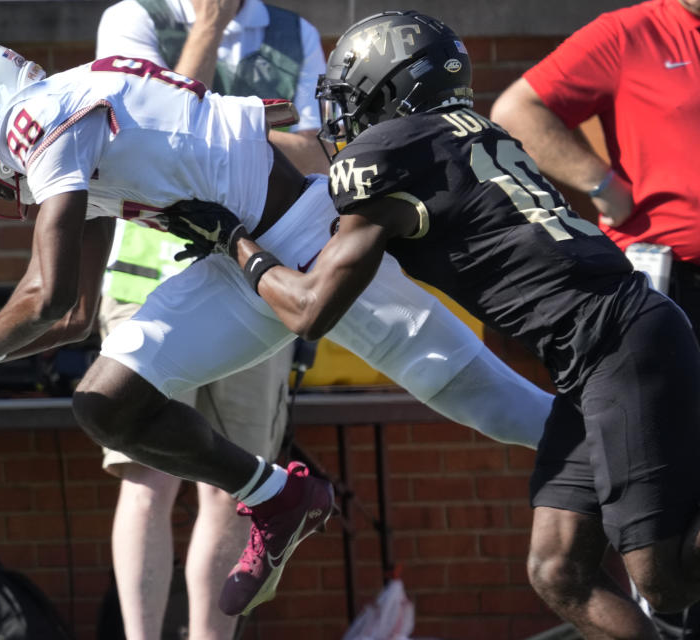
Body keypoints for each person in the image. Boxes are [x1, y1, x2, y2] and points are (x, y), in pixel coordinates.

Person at [0, 37, 554, 617]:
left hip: (304, 241)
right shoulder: (82, 110)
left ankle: (622, 442)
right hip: (237, 258)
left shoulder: (43, 115)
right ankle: (279, 496)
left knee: (496, 404)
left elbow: (45, 292)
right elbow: (73, 315)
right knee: (106, 399)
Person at [163, 10, 700, 637]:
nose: (346, 115)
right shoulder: (467, 133)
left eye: (355, 96)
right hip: (606, 346)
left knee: (662, 579)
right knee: (559, 572)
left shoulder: (390, 152)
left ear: (393, 88)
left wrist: (233, 242)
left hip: (614, 347)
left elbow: (311, 308)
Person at [93, 1, 323, 637]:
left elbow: (317, 152)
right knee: (148, 477)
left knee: (237, 480)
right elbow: (137, 130)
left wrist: (215, 143)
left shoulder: (294, 33)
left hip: (257, 283)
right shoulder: (131, 19)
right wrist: (207, 29)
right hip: (148, 280)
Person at [489, 3, 700, 634]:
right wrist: (601, 181)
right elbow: (514, 110)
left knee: (664, 575)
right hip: (652, 294)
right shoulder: (632, 31)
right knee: (563, 568)